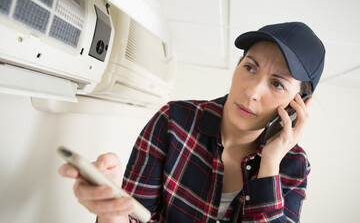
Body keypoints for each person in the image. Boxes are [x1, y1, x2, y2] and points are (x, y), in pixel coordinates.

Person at [59, 22, 325, 223]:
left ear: (298, 105)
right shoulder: (174, 122)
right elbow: (132, 218)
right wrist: (111, 210)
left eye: (277, 84)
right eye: (250, 67)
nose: (252, 92)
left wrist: (270, 163)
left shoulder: (293, 166)